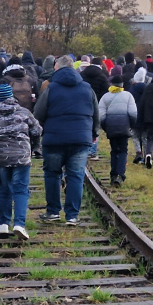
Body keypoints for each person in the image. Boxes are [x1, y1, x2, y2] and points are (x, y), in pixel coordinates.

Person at [34, 55, 100, 226]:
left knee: (52, 174)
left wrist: (40, 132)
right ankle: (72, 216)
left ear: (57, 68)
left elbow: (38, 114)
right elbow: (95, 113)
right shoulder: (87, 88)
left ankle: (53, 212)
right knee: (76, 176)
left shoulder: (51, 88)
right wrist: (93, 133)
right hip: (80, 139)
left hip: (54, 139)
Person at [0, 83, 42, 240]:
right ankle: (19, 224)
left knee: (5, 188)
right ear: (12, 96)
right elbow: (37, 130)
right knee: (21, 189)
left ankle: (3, 224)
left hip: (3, 157)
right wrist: (33, 143)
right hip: (22, 155)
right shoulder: (24, 113)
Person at [99, 75, 137, 187]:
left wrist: (106, 127)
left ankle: (113, 174)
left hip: (111, 127)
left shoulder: (105, 97)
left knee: (114, 150)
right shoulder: (128, 96)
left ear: (111, 84)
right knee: (123, 151)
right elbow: (133, 113)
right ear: (122, 85)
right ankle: (120, 175)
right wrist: (131, 125)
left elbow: (101, 116)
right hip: (124, 126)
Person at [129, 67, 148, 164]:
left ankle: (138, 152)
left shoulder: (131, 89)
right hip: (145, 116)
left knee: (135, 136)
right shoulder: (147, 88)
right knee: (145, 137)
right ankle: (146, 154)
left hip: (135, 115)